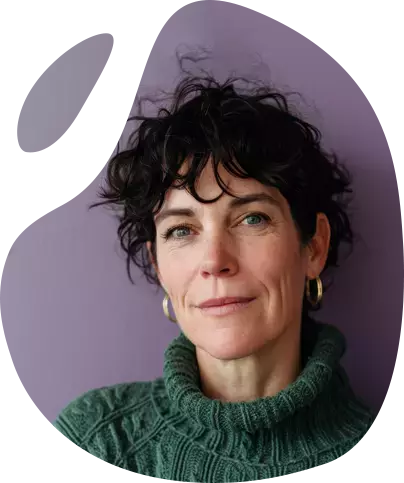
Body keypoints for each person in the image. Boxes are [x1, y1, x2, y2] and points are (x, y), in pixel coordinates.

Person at [32, 49, 403, 483]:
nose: (214, 261)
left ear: (314, 247)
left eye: (252, 219)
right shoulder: (95, 444)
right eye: (181, 230)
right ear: (158, 265)